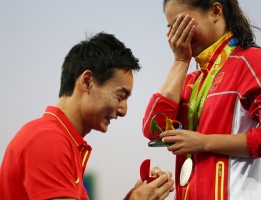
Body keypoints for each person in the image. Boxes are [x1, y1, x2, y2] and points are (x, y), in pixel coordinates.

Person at [142, 0, 261, 199]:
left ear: (215, 11)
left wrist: (204, 142)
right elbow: (154, 129)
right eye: (171, 27)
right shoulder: (192, 80)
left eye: (182, 23)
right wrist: (180, 62)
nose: (176, 35)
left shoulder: (252, 62)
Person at [0, 32, 174, 200]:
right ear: (87, 81)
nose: (123, 110)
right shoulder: (48, 140)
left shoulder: (64, 142)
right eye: (120, 96)